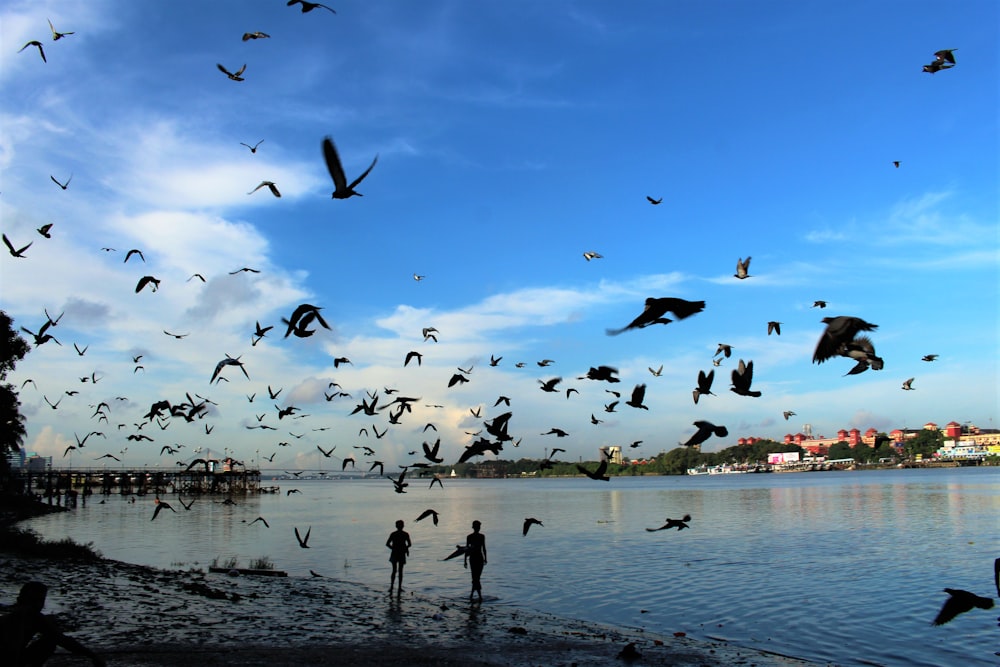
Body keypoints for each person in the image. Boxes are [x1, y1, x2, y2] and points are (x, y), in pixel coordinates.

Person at [1, 581, 106, 667]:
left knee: (50, 641)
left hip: (16, 659)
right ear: (20, 600)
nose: (37, 605)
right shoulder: (15, 618)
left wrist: (92, 655)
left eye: (40, 601)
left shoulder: (34, 617)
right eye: (32, 600)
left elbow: (62, 639)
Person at [385, 519, 411, 596]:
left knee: (395, 570)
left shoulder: (394, 534)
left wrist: (393, 548)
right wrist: (405, 548)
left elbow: (387, 544)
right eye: (400, 525)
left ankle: (393, 587)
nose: (401, 526)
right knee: (399, 571)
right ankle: (398, 588)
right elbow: (409, 544)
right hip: (399, 553)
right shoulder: (405, 534)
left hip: (396, 553)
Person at [463, 519, 487, 601]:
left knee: (476, 578)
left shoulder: (481, 536)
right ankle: (478, 596)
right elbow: (467, 549)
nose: (478, 528)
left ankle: (472, 595)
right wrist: (465, 561)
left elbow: (484, 548)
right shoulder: (469, 537)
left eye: (479, 526)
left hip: (479, 558)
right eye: (478, 526)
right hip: (473, 558)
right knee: (475, 578)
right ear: (474, 527)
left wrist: (485, 558)